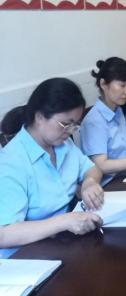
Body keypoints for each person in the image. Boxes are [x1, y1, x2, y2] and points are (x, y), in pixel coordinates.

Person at [0, 78, 104, 256]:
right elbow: (4, 234)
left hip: (64, 244)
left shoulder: (63, 144)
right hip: (27, 256)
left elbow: (91, 169)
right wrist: (63, 222)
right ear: (39, 117)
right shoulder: (12, 162)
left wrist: (89, 183)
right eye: (65, 124)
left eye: (75, 124)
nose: (70, 131)